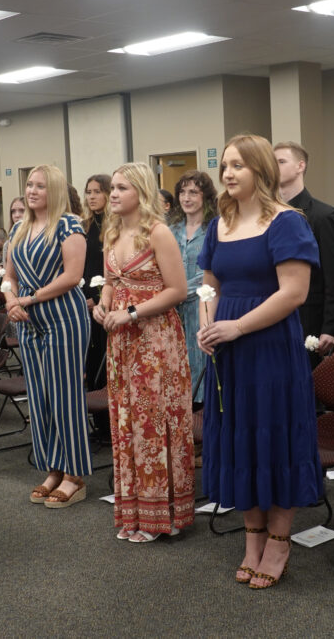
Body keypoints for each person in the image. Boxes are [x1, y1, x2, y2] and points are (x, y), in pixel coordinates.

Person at [197, 133, 324, 589]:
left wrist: (237, 327)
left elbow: (294, 292)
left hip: (268, 342)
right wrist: (206, 324)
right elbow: (208, 284)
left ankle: (279, 540)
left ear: (261, 171)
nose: (228, 174)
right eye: (225, 166)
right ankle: (252, 536)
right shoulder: (219, 224)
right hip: (227, 347)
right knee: (239, 437)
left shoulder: (287, 221)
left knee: (274, 435)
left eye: (238, 166)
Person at [94, 162, 194, 542]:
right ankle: (134, 512)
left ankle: (162, 515)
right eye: (112, 188)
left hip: (155, 341)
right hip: (120, 339)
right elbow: (111, 281)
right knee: (126, 420)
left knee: (154, 422)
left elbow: (177, 291)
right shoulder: (113, 231)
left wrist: (131, 312)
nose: (113, 194)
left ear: (140, 191)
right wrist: (102, 305)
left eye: (121, 188)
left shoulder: (159, 232)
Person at [3, 164, 92, 506]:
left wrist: (28, 297)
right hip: (26, 320)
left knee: (65, 397)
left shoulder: (68, 224)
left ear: (53, 190)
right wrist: (10, 299)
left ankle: (75, 474)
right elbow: (8, 274)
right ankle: (53, 467)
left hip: (62, 318)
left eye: (40, 185)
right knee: (39, 398)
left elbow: (72, 275)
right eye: (29, 185)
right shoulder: (20, 227)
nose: (32, 191)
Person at [275, 141, 334, 367]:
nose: (273, 167)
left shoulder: (323, 215)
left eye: (281, 161)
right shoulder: (264, 214)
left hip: (308, 319)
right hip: (270, 315)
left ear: (300, 166)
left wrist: (331, 328)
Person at [169, 169, 216, 405]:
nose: (186, 197)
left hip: (203, 307)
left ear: (205, 197)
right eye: (183, 192)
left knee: (202, 364)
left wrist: (174, 293)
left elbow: (205, 275)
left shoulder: (214, 229)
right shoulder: (171, 230)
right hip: (173, 312)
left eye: (193, 192)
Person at [81, 174, 111, 393]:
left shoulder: (112, 226)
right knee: (90, 359)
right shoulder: (85, 225)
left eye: (97, 192)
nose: (92, 197)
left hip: (104, 299)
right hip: (84, 297)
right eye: (89, 192)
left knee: (104, 356)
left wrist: (98, 299)